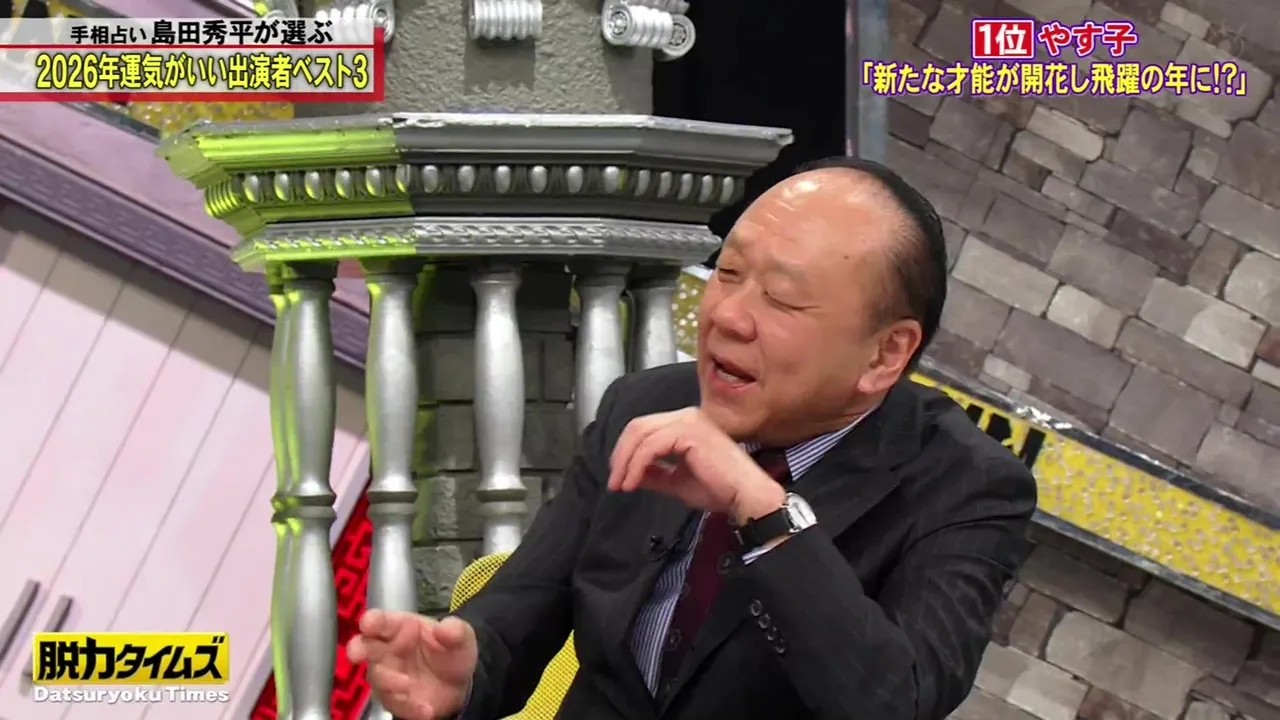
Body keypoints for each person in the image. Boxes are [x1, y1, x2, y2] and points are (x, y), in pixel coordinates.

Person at [347, 157, 1039, 720]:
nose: (729, 316)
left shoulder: (967, 489)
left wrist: (762, 510)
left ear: (885, 354)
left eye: (782, 298)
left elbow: (894, 701)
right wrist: (468, 667)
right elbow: (527, 604)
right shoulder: (648, 405)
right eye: (728, 273)